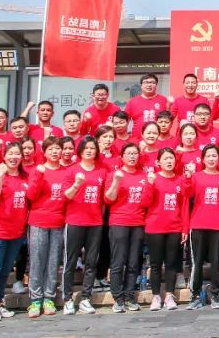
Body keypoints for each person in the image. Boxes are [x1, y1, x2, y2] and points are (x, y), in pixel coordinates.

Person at [0, 142, 29, 322]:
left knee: (5, 270)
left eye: (17, 154)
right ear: (4, 156)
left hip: (16, 232)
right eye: (10, 153)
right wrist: (0, 175)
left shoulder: (25, 177)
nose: (14, 157)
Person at [185, 145, 219, 310]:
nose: (211, 159)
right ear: (203, 159)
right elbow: (187, 194)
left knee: (216, 262)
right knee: (197, 262)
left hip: (217, 226)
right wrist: (188, 177)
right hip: (198, 225)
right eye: (208, 156)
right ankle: (195, 294)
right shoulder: (196, 177)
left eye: (214, 156)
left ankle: (215, 294)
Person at [62, 136, 108, 315]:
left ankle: (86, 298)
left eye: (92, 148)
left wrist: (98, 218)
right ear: (80, 150)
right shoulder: (72, 171)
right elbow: (67, 196)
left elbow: (103, 201)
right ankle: (67, 299)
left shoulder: (101, 172)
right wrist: (77, 184)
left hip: (95, 222)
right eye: (86, 148)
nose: (89, 151)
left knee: (91, 261)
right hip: (74, 221)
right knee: (71, 261)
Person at [25, 137, 68, 318]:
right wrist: (38, 176)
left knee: (53, 261)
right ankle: (35, 300)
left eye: (57, 148)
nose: (55, 152)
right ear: (44, 152)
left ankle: (49, 297)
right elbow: (31, 196)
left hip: (58, 222)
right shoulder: (38, 170)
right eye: (50, 149)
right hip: (38, 221)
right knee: (37, 260)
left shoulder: (66, 172)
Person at [105, 143, 149, 312]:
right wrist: (116, 181)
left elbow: (147, 200)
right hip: (119, 222)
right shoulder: (114, 175)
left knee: (133, 262)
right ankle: (118, 298)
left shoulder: (144, 176)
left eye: (135, 153)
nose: (132, 156)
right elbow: (108, 199)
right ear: (122, 157)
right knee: (118, 261)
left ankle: (130, 296)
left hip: (138, 222)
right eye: (128, 153)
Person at [144, 148, 189, 311]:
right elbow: (145, 202)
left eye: (171, 158)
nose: (169, 161)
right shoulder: (153, 178)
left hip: (174, 227)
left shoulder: (180, 180)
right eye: (165, 158)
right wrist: (149, 184)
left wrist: (185, 228)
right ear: (158, 162)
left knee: (171, 263)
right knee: (155, 264)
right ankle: (156, 296)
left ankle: (170, 295)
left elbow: (184, 206)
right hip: (155, 227)